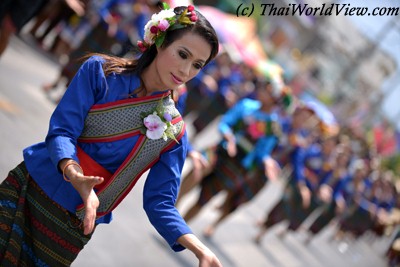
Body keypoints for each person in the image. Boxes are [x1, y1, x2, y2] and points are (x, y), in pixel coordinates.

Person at [0, 4, 222, 267]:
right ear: (160, 41)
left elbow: (161, 202)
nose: (186, 71)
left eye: (197, 65)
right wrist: (74, 173)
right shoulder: (100, 72)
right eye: (182, 54)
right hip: (31, 185)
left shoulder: (174, 132)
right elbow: (62, 131)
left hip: (71, 225)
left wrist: (200, 250)